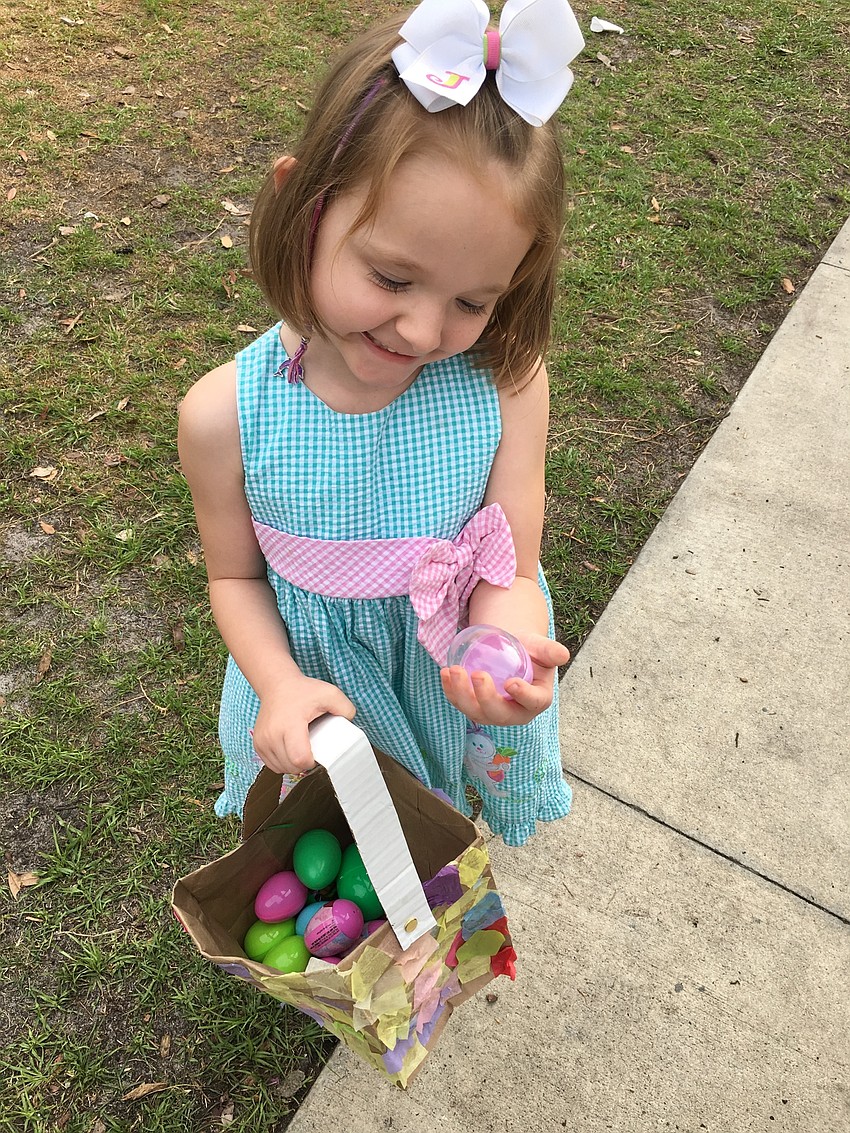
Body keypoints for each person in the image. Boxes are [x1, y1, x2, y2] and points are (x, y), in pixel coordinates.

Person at [178, 0, 585, 846]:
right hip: (319, 702)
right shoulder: (225, 416)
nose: (424, 332)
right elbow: (235, 580)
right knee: (337, 861)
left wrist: (505, 644)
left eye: (473, 301)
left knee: (431, 839)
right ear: (303, 205)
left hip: (438, 690)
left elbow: (511, 562)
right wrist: (280, 685)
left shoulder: (505, 383)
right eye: (393, 279)